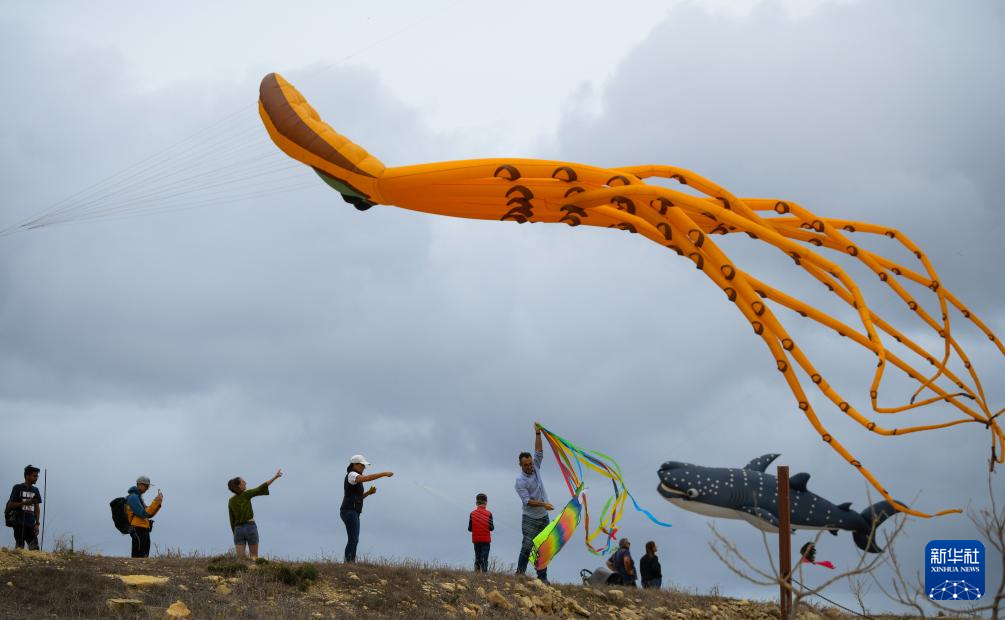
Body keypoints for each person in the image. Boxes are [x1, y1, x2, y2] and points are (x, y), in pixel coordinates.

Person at [515, 423, 553, 581]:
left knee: (543, 547)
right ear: (520, 465)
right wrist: (544, 504)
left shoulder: (536, 467)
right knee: (527, 545)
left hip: (543, 517)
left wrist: (538, 434)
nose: (530, 466)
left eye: (530, 463)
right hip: (530, 518)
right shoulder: (519, 481)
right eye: (526, 465)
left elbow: (539, 452)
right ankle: (520, 574)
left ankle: (542, 578)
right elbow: (527, 501)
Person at [340, 454, 393, 563]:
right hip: (349, 511)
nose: (364, 467)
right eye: (362, 465)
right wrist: (383, 474)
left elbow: (358, 498)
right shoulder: (352, 475)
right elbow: (366, 478)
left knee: (354, 539)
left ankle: (350, 562)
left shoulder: (354, 476)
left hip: (352, 511)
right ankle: (349, 563)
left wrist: (368, 493)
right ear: (355, 464)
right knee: (353, 539)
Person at [228, 469, 283, 560]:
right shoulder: (246, 494)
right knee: (254, 558)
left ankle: (241, 574)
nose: (246, 482)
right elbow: (261, 488)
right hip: (250, 527)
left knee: (241, 560)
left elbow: (232, 519)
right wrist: (275, 477)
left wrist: (235, 533)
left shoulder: (231, 501)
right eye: (243, 481)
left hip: (238, 530)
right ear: (239, 486)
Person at [6, 465, 42, 550]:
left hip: (31, 524)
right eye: (34, 476)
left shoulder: (35, 490)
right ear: (27, 476)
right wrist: (24, 503)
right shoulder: (18, 488)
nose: (36, 478)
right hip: (19, 523)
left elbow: (37, 508)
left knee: (35, 549)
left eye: (37, 476)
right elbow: (11, 504)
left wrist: (37, 523)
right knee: (20, 548)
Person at [125, 475, 163, 558]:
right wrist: (156, 502)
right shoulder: (133, 497)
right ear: (138, 484)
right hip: (137, 527)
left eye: (148, 486)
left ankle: (140, 570)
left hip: (143, 528)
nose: (147, 488)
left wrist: (158, 503)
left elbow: (149, 514)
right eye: (145, 485)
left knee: (144, 554)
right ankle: (134, 570)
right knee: (138, 554)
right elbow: (143, 514)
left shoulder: (138, 498)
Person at [468, 493, 494, 572]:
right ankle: (484, 574)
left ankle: (477, 573)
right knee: (484, 558)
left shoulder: (472, 514)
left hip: (476, 540)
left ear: (476, 503)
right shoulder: (489, 513)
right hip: (486, 540)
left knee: (477, 557)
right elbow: (491, 528)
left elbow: (470, 528)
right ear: (486, 502)